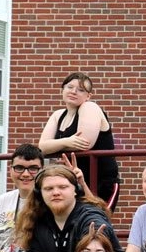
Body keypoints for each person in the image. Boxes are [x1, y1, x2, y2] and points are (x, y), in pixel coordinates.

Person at [38, 70, 120, 209]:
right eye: (70, 87)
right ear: (62, 89)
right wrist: (66, 141)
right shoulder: (58, 115)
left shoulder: (90, 107)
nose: (74, 91)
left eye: (81, 90)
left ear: (88, 96)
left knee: (97, 220)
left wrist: (54, 146)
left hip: (99, 181)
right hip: (71, 180)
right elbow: (41, 147)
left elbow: (83, 143)